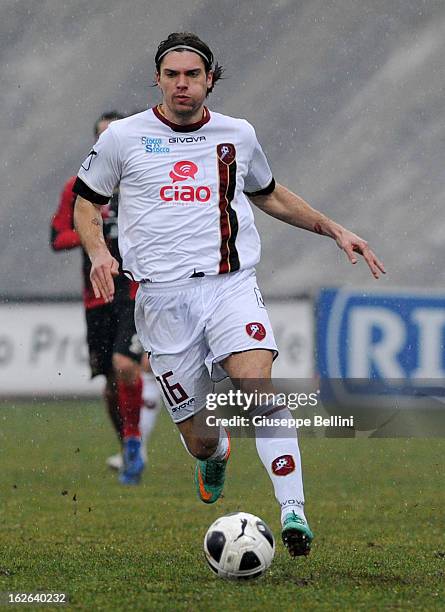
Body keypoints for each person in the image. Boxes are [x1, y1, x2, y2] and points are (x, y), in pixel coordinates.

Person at [72, 33, 385, 555]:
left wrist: (331, 227)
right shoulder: (124, 138)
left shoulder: (237, 134)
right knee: (200, 437)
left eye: (192, 75)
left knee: (257, 389)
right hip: (161, 302)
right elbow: (86, 203)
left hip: (229, 287)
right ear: (158, 79)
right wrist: (99, 253)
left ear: (210, 79)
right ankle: (214, 455)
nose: (182, 85)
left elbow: (269, 194)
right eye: (171, 75)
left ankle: (293, 511)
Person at [51, 111, 160, 485]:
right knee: (110, 380)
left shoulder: (143, 181)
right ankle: (129, 443)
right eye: (103, 137)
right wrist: (94, 233)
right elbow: (57, 237)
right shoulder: (78, 188)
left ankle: (135, 441)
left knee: (126, 365)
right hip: (96, 293)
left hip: (132, 290)